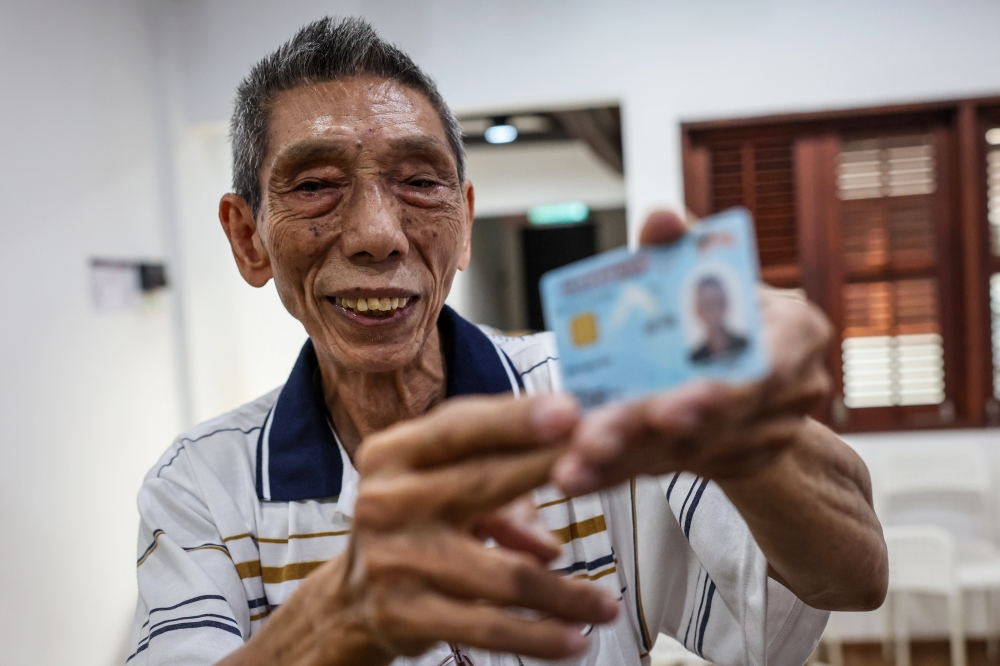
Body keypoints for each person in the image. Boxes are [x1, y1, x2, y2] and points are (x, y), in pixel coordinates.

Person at [126, 17, 887, 666]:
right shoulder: (201, 486)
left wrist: (758, 441)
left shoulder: (593, 395)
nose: (377, 234)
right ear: (248, 238)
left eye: (418, 181)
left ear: (463, 224)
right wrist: (328, 627)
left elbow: (851, 579)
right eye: (316, 185)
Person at [689, 275, 749, 363]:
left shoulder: (746, 345)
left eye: (716, 302)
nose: (712, 310)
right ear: (698, 311)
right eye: (707, 304)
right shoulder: (696, 359)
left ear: (725, 304)